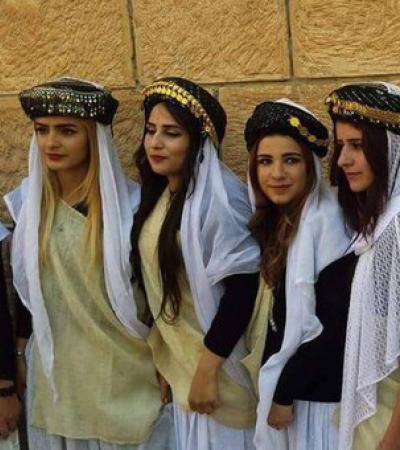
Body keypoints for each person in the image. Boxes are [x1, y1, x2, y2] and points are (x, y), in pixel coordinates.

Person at [4, 77, 174, 450]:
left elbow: (158, 297)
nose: (51, 142)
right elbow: (30, 296)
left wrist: (168, 360)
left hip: (126, 375)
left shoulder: (132, 210)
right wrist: (18, 354)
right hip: (58, 376)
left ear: (93, 137)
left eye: (67, 131)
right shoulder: (29, 208)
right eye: (42, 130)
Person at [131, 77, 260, 449]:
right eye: (151, 130)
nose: (155, 142)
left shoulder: (219, 201)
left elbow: (242, 289)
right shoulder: (166, 197)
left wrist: (207, 370)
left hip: (220, 379)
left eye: (171, 133)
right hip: (187, 375)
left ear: (198, 141)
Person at [244, 99, 355, 450]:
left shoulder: (326, 223)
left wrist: (284, 394)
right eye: (265, 161)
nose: (276, 174)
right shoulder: (281, 222)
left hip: (321, 404)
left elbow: (331, 326)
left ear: (310, 167)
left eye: (290, 160)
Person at [326, 82, 400, 450]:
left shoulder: (397, 229)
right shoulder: (380, 223)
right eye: (341, 147)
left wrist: (391, 439)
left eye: (356, 146)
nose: (342, 160)